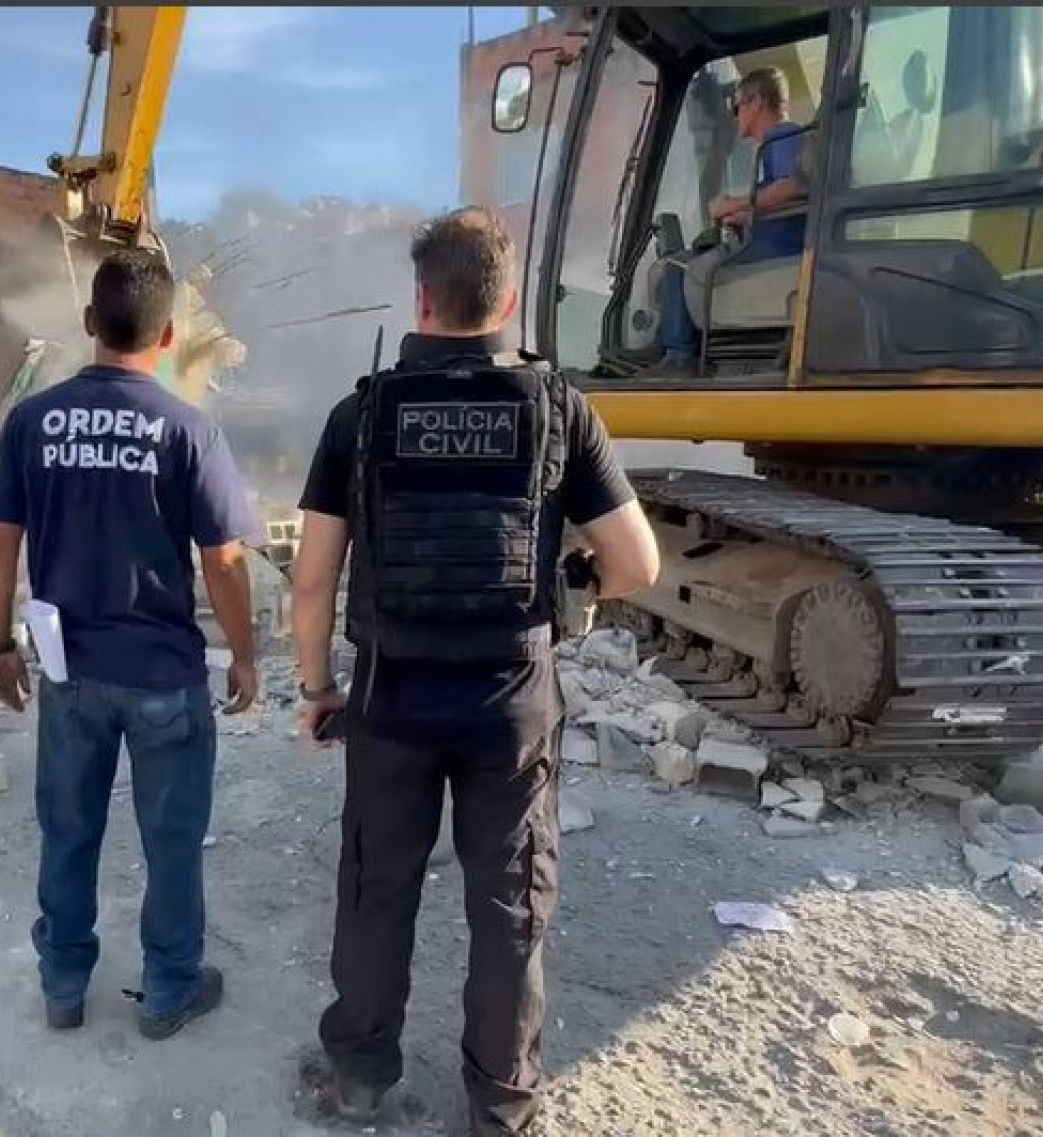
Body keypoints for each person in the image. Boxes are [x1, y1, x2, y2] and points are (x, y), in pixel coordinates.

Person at [289, 208, 661, 1134]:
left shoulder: (362, 413)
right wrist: (578, 587)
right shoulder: (558, 407)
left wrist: (315, 687)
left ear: (422, 297)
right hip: (511, 700)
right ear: (507, 298)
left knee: (379, 890)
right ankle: (501, 1103)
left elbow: (311, 578)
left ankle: (360, 1077)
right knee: (509, 904)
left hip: (390, 693)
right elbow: (639, 565)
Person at [0, 248, 261, 1041]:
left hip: (70, 676)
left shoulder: (32, 420)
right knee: (171, 844)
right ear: (169, 335)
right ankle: (169, 989)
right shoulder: (189, 429)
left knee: (68, 832)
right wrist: (244, 655)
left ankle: (63, 984)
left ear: (88, 324)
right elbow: (227, 561)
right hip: (164, 677)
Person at [653, 67, 809, 376]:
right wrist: (744, 215)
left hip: (774, 249)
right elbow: (782, 196)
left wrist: (734, 204)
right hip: (770, 240)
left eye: (737, 107)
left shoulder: (782, 135)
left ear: (757, 103)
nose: (735, 117)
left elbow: (794, 186)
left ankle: (679, 355)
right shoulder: (781, 142)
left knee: (676, 265)